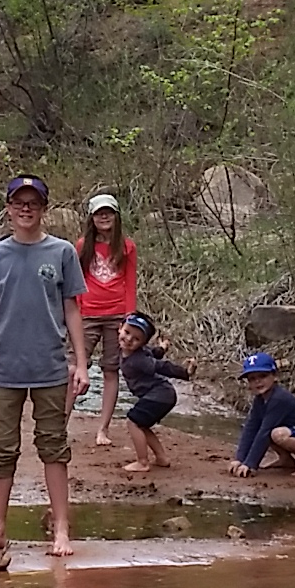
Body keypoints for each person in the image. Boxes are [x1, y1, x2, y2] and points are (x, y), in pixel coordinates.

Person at [0, 173, 83, 558]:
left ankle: (61, 529)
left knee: (53, 447)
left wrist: (81, 363)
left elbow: (71, 308)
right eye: (19, 202)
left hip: (50, 366)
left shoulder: (62, 252)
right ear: (9, 208)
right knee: (1, 450)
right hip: (4, 367)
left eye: (33, 203)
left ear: (43, 209)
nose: (26, 209)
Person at [75, 192, 139, 447]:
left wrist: (129, 317)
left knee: (111, 370)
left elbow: (130, 283)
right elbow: (76, 280)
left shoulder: (127, 246)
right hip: (88, 313)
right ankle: (60, 423)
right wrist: (77, 311)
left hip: (117, 315)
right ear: (92, 217)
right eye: (99, 213)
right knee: (75, 367)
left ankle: (102, 429)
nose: (104, 217)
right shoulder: (81, 246)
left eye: (108, 212)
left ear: (116, 216)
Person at [228, 350, 295, 478]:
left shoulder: (279, 398)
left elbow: (264, 432)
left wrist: (250, 464)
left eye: (263, 376)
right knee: (268, 430)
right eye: (252, 378)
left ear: (274, 376)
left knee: (276, 433)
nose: (258, 382)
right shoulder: (260, 399)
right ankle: (286, 459)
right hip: (293, 432)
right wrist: (239, 459)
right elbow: (251, 427)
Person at [114, 312, 188, 472]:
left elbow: (161, 366)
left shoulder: (138, 359)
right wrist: (162, 347)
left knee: (132, 422)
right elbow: (153, 353)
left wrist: (184, 372)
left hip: (160, 394)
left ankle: (142, 461)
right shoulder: (138, 352)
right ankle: (161, 458)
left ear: (141, 343)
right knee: (142, 424)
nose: (128, 339)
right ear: (120, 328)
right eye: (127, 333)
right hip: (162, 394)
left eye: (136, 339)